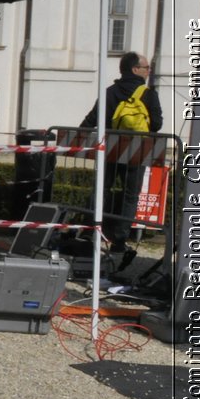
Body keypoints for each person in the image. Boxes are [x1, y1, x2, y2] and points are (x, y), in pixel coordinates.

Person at [81, 51, 163, 265]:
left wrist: (77, 136)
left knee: (102, 190)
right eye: (146, 68)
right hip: (138, 150)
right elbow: (156, 124)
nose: (148, 71)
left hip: (110, 149)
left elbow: (92, 118)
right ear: (135, 70)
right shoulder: (148, 94)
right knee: (130, 195)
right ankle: (119, 240)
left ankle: (90, 230)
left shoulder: (110, 92)